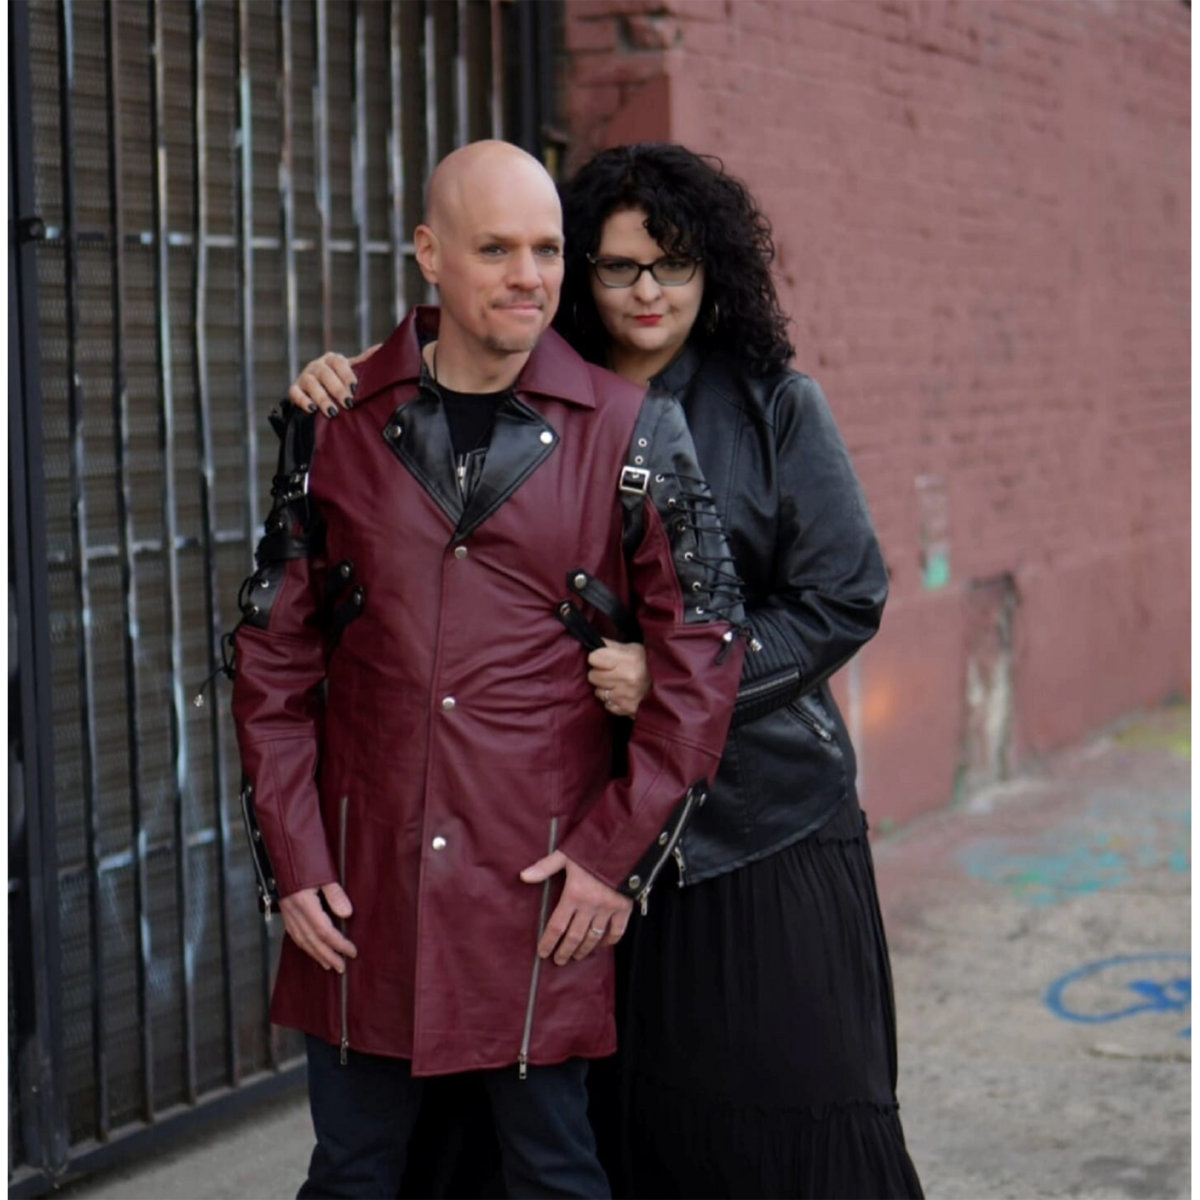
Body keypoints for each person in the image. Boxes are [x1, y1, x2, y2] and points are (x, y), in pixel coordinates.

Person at [289, 143, 924, 1199]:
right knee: (616, 1116)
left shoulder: (772, 406)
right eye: (619, 266)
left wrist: (675, 681)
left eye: (673, 266)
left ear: (713, 271)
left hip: (753, 815)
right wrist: (346, 378)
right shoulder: (537, 385)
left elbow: (844, 595)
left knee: (786, 1101)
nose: (646, 291)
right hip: (577, 819)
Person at [231, 139, 747, 1200]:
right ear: (430, 253)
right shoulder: (335, 424)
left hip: (541, 887)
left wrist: (613, 858)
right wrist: (295, 857)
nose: (530, 276)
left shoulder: (634, 431)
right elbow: (271, 662)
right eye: (497, 248)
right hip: (362, 884)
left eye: (548, 250)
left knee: (554, 1172)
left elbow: (707, 659)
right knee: (354, 1173)